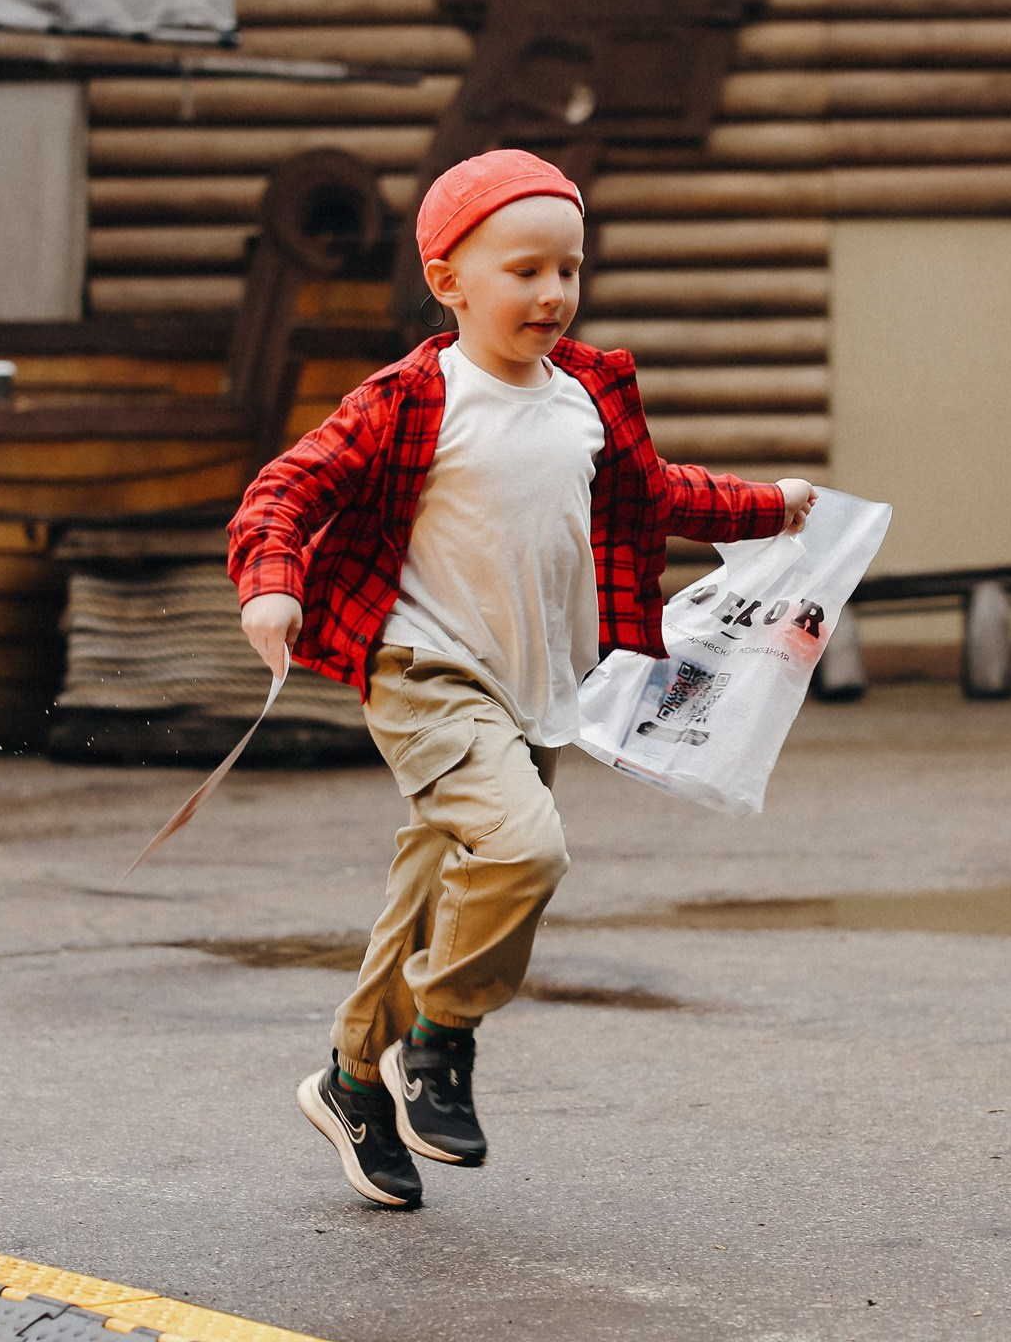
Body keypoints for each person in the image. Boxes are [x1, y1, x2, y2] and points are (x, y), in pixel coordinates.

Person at [229, 149, 815, 1208]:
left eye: (570, 269)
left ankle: (354, 1079)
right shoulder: (412, 397)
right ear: (450, 281)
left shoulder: (590, 393)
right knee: (523, 849)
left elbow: (656, 494)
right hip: (421, 666)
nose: (553, 293)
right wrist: (271, 585)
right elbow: (286, 488)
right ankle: (441, 1039)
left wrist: (769, 505)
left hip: (537, 679)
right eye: (525, 271)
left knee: (432, 883)